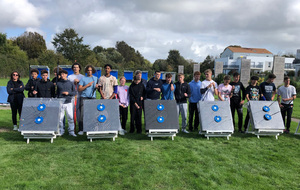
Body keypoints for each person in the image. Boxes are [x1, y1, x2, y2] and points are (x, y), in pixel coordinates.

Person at [78, 65, 99, 135]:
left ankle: (91, 128)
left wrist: (97, 87)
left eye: (90, 70)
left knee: (92, 114)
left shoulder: (95, 78)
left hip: (92, 97)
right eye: (88, 70)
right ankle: (81, 129)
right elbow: (79, 89)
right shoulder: (83, 79)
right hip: (84, 97)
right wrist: (87, 85)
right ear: (86, 71)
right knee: (82, 114)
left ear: (92, 71)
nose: (89, 72)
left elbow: (99, 88)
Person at [57, 70, 76, 137]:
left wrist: (68, 93)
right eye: (61, 74)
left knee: (70, 117)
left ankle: (71, 131)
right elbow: (56, 93)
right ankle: (61, 131)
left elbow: (75, 92)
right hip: (60, 102)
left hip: (69, 102)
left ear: (66, 75)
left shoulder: (70, 83)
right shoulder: (58, 83)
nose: (62, 75)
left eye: (64, 74)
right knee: (60, 118)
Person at [67, 62, 84, 134]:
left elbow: (84, 86)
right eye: (74, 67)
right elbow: (68, 87)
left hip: (80, 96)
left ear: (79, 68)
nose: (75, 68)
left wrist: (79, 82)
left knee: (80, 113)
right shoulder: (70, 77)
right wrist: (73, 83)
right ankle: (72, 129)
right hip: (72, 97)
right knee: (72, 113)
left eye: (77, 67)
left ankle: (81, 129)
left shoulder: (82, 77)